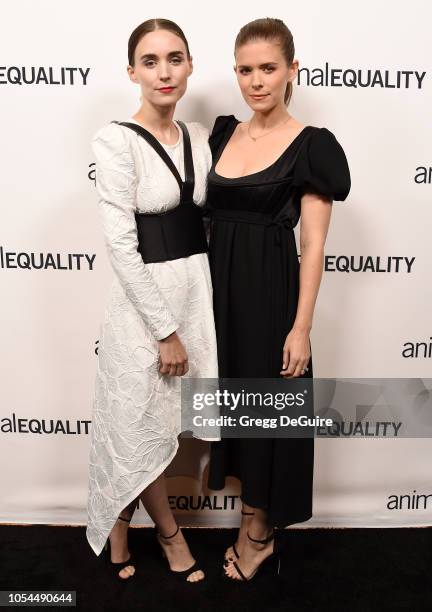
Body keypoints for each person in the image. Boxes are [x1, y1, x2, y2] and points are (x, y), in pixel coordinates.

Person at [205, 17, 351, 582]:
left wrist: (301, 328)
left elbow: (313, 246)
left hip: (271, 294)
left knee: (269, 415)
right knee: (236, 414)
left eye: (268, 68)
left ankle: (259, 537)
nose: (255, 81)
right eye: (245, 70)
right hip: (218, 296)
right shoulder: (221, 134)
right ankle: (248, 522)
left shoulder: (313, 146)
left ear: (293, 70)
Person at [86, 18, 218, 583]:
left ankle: (121, 524)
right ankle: (168, 534)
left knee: (163, 424)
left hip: (194, 293)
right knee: (138, 423)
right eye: (150, 61)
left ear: (190, 65)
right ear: (132, 71)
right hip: (145, 309)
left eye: (175, 58)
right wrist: (164, 330)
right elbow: (120, 244)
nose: (164, 72)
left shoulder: (197, 136)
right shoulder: (113, 140)